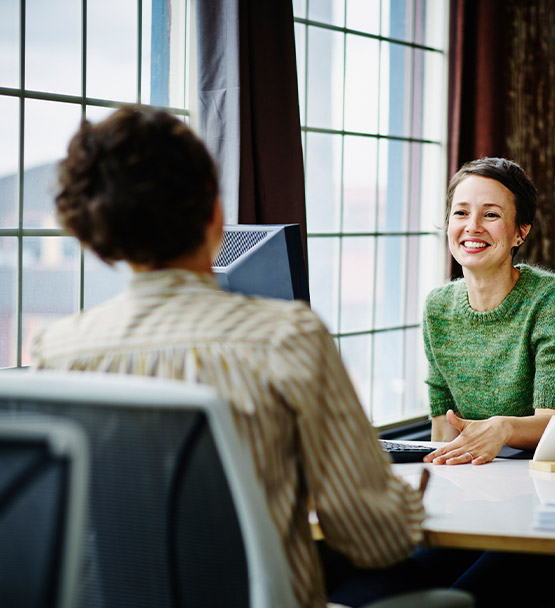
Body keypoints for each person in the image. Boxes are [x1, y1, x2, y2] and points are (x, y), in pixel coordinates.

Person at [29, 106, 426, 608]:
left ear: (99, 240)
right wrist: (409, 502)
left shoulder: (56, 352)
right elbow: (375, 539)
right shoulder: (287, 336)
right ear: (216, 214)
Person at [422, 157, 555, 466]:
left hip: (546, 473)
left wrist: (503, 427)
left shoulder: (554, 300)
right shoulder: (437, 307)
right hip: (474, 475)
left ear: (520, 232)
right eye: (461, 212)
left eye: (490, 214)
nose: (472, 226)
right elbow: (443, 429)